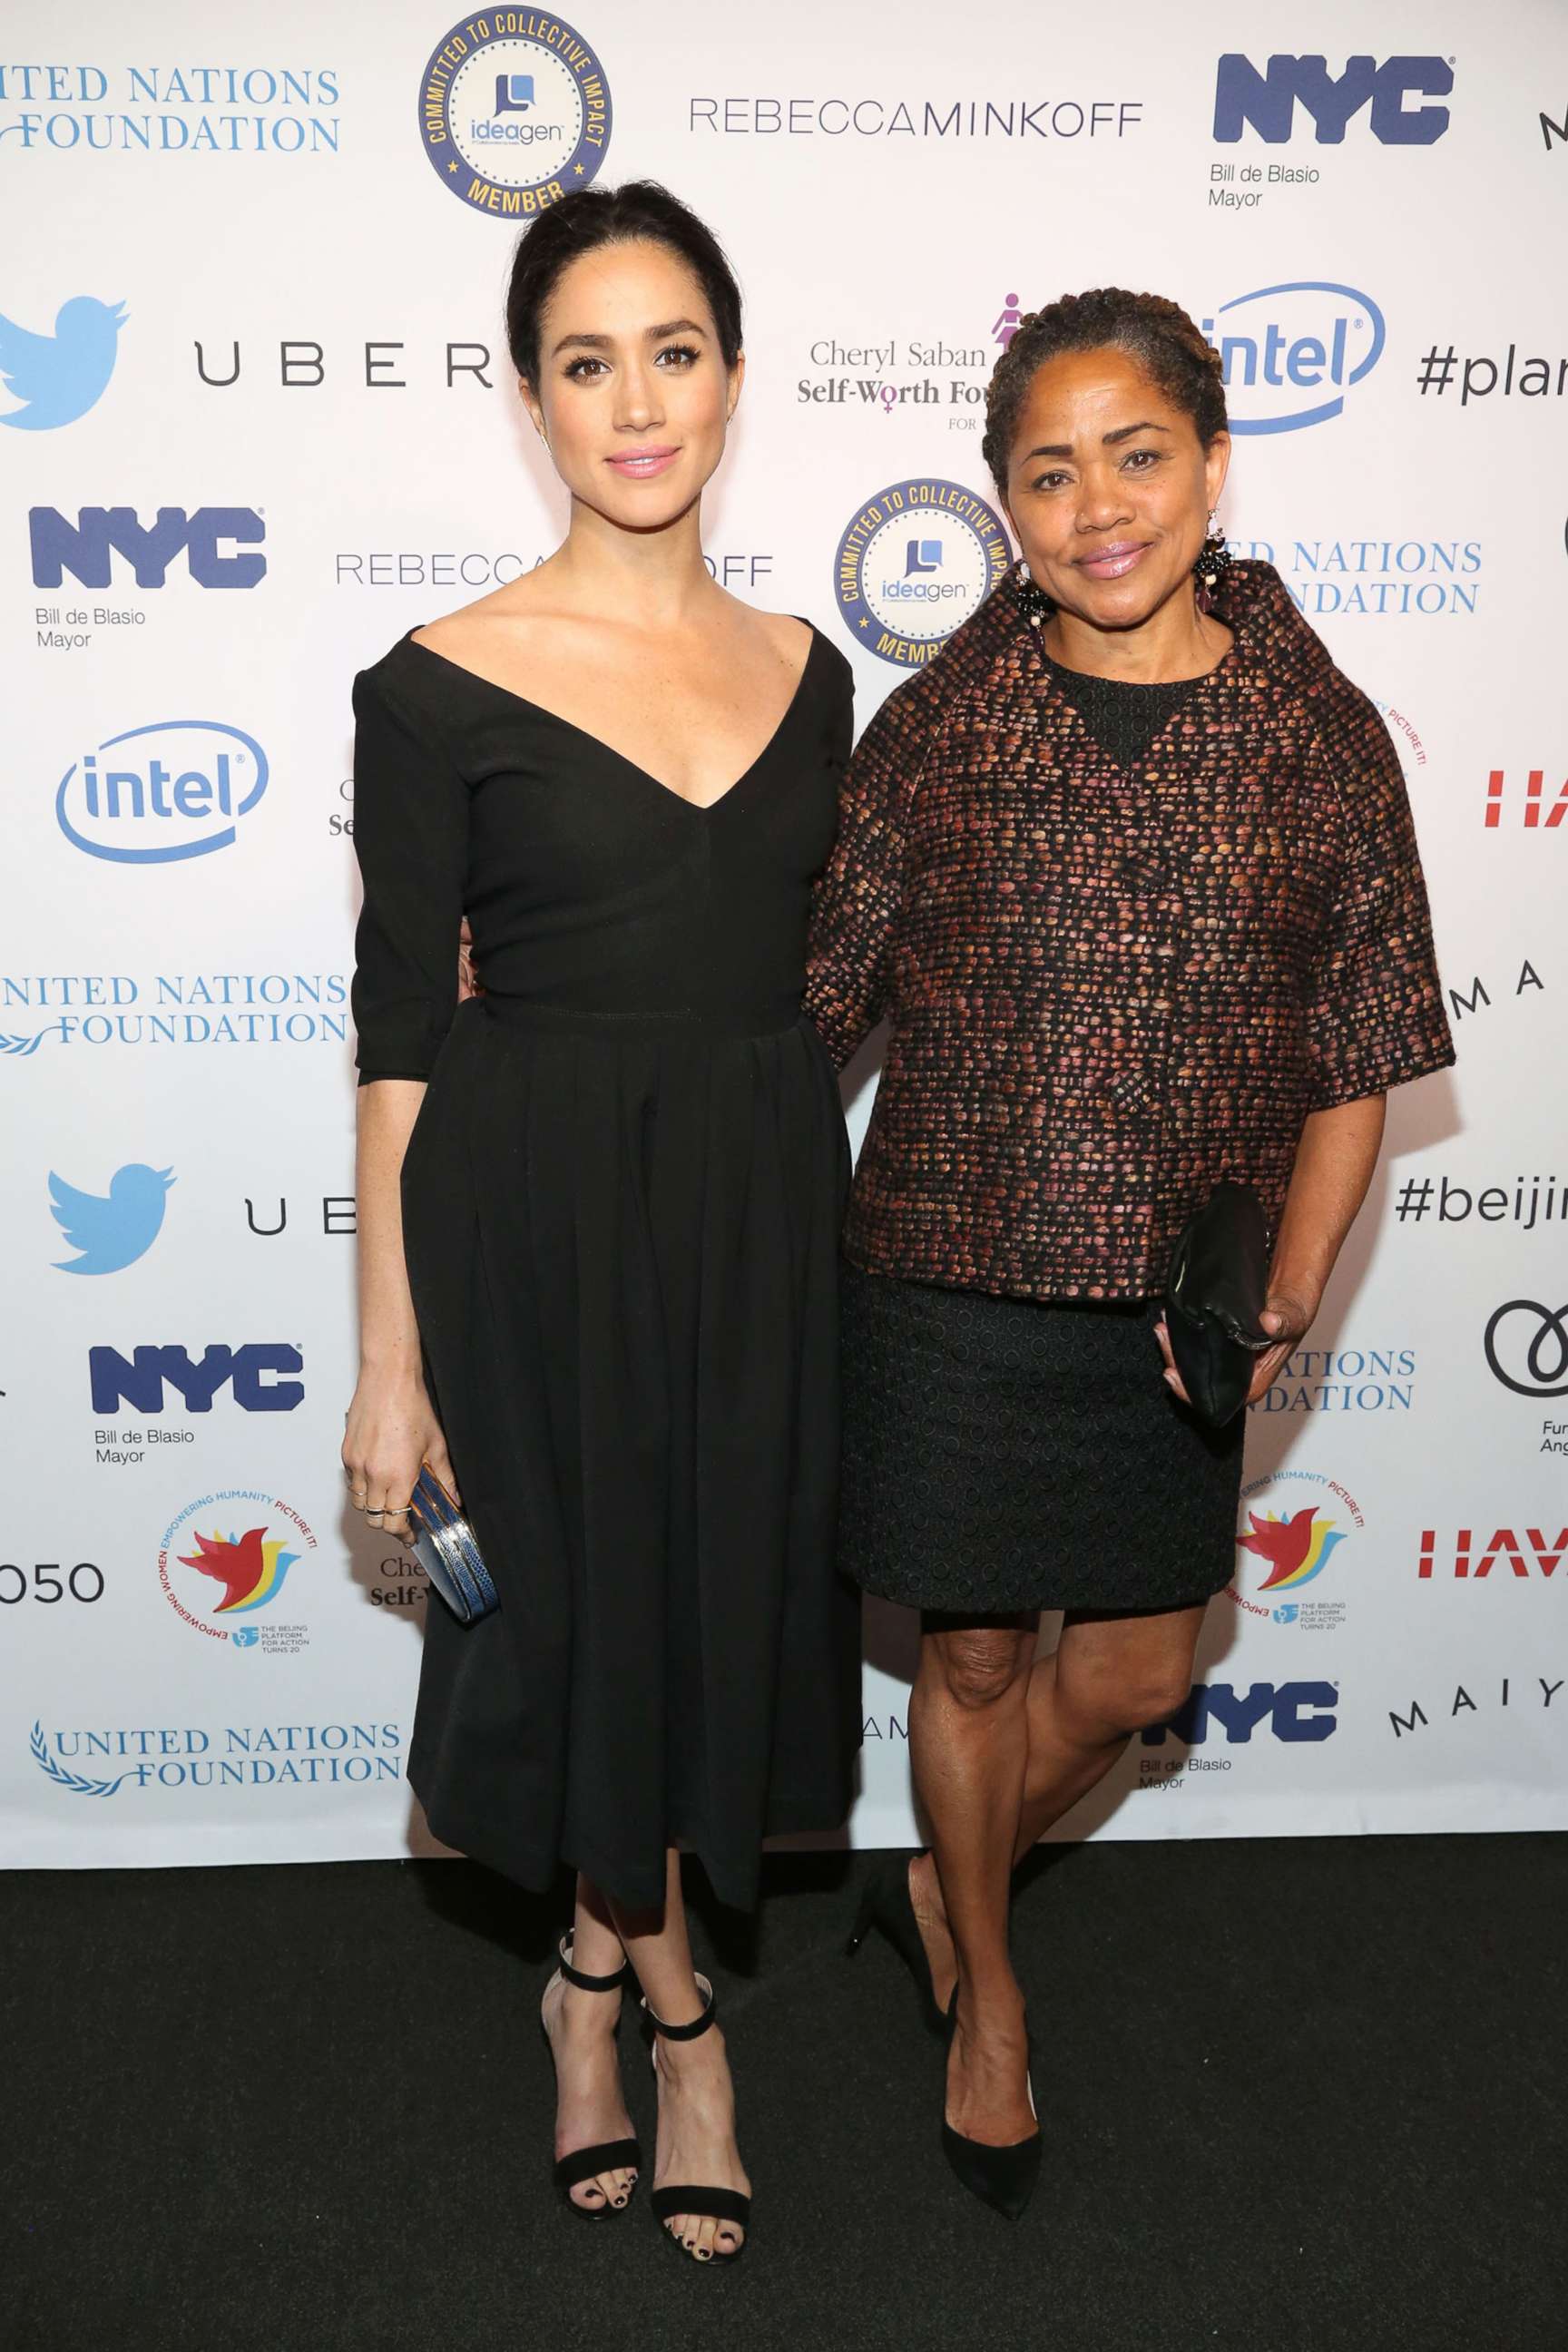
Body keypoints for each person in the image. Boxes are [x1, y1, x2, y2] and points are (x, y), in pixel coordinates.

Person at [808, 288, 1455, 2219]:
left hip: (1175, 1319)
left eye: (1137, 453)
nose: (1099, 506)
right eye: (1049, 470)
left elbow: (1365, 1051)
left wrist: (1283, 1299)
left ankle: (945, 1879)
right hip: (946, 1273)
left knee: (1136, 1680)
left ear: (1213, 460)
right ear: (1004, 502)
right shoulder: (943, 725)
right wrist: (558, 972)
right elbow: (801, 993)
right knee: (981, 1655)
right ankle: (990, 1995)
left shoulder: (1319, 732)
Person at [341, 181, 860, 2264]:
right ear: (530, 397)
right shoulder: (438, 680)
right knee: (570, 1621)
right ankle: (671, 2018)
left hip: (750, 1219)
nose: (636, 401)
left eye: (673, 350)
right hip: (525, 1222)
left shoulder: (819, 677)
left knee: (696, 1607)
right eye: (585, 360)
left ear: (731, 374)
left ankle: (584, 1979)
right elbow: (395, 1044)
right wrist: (390, 1358)